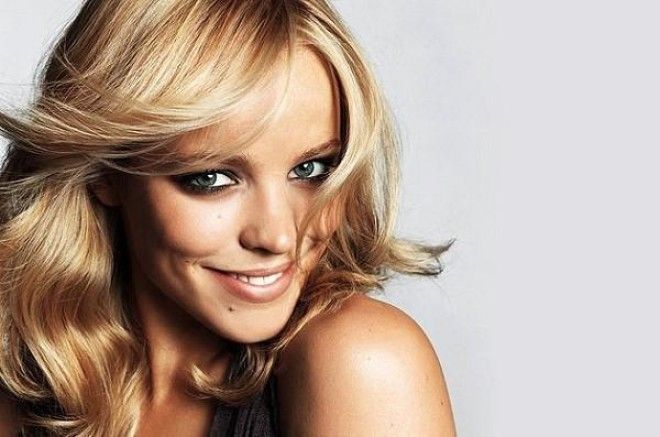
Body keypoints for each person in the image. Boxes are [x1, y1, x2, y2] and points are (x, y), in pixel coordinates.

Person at [0, 0, 456, 435]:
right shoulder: (31, 378)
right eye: (213, 178)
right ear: (105, 173)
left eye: (311, 170)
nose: (278, 236)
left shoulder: (362, 360)